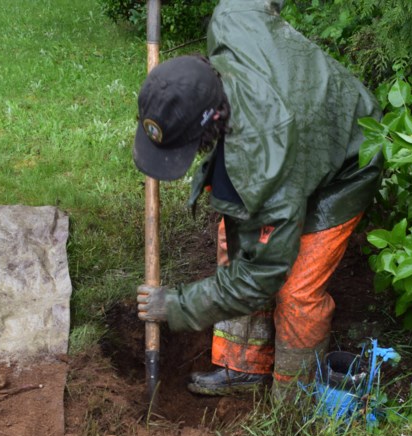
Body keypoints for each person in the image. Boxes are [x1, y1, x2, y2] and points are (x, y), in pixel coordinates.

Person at [133, 0, 382, 398]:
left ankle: (294, 401)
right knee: (230, 242)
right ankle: (244, 368)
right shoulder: (231, 19)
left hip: (348, 158)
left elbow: (262, 275)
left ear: (212, 122)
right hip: (298, 139)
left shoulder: (262, 166)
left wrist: (177, 305)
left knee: (296, 291)